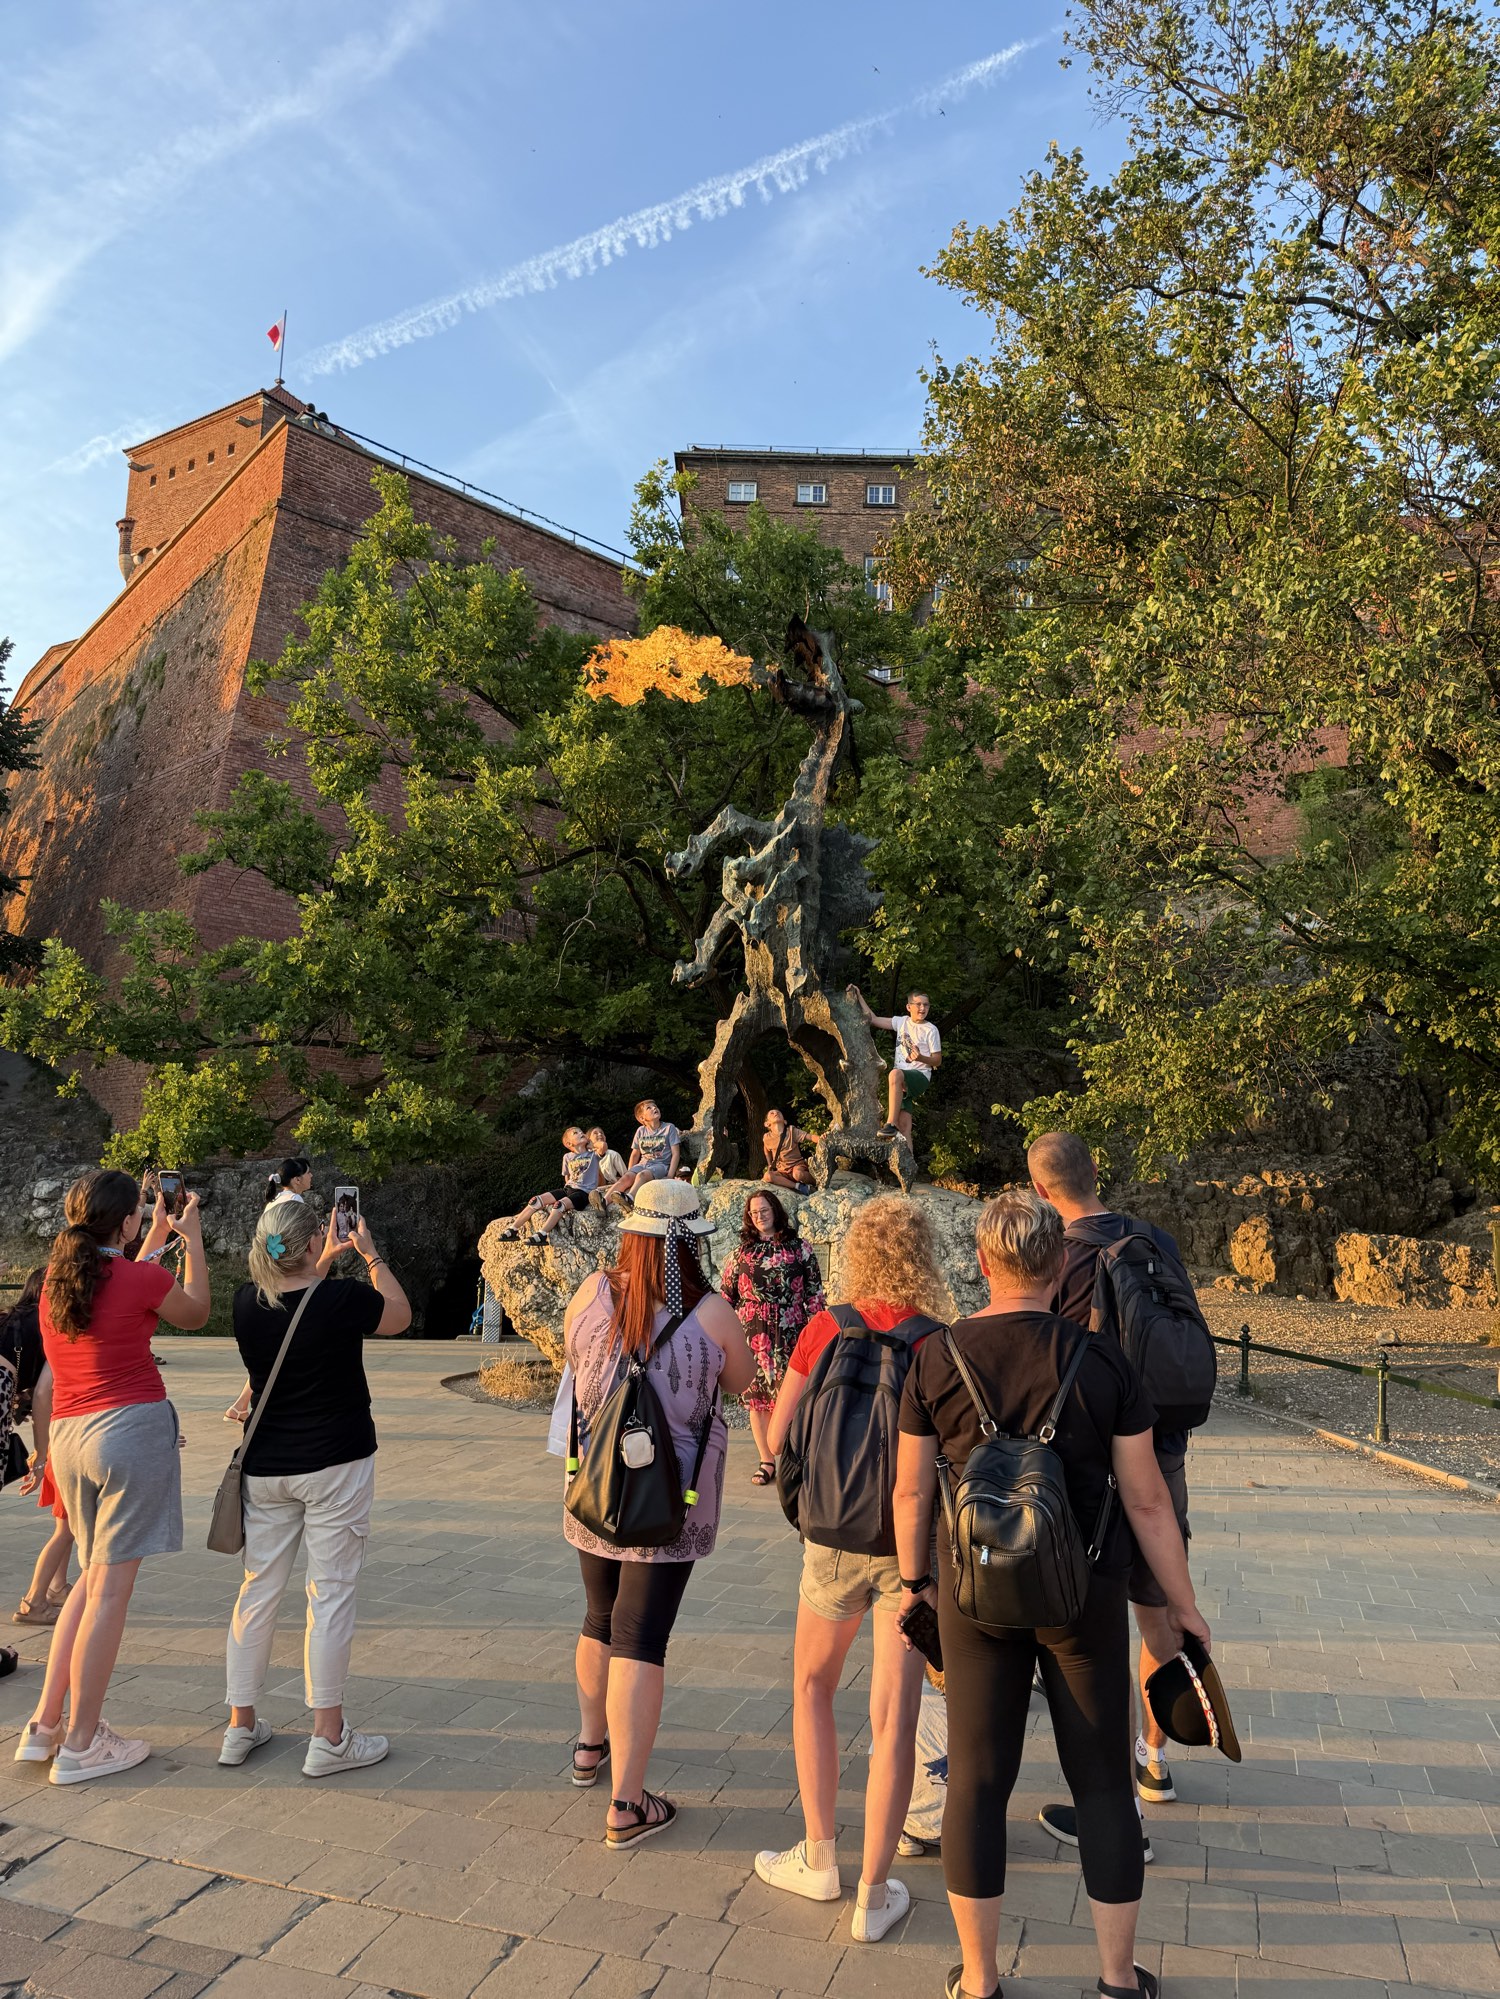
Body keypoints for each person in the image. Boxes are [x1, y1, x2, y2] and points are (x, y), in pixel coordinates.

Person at [894, 1189, 1210, 1999]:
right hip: (1083, 1595)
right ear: (1061, 1261)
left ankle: (978, 1980)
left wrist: (914, 1582)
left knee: (977, 1780)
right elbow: (1148, 1500)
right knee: (1102, 1782)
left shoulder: (936, 1356)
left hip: (973, 1593)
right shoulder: (1104, 1362)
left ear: (981, 1261)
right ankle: (1117, 1978)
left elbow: (910, 1492)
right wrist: (1182, 1604)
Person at [755, 1195, 953, 1944]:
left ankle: (818, 1857)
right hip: (910, 1550)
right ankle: (874, 1893)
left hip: (833, 1537)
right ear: (924, 1257)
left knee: (812, 1685)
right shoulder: (938, 1342)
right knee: (894, 1717)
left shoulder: (825, 1326)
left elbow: (779, 1432)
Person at [563, 1179, 755, 1845]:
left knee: (599, 1616)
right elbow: (742, 1380)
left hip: (595, 1485)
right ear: (690, 1242)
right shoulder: (710, 1311)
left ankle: (590, 1745)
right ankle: (627, 1803)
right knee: (640, 1637)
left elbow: (573, 1358)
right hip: (670, 1500)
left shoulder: (592, 1291)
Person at [16, 1170, 210, 1784]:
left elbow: (121, 1277)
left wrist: (154, 1235)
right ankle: (81, 1744)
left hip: (71, 1438)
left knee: (88, 1583)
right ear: (124, 1222)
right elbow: (196, 1312)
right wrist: (192, 1241)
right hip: (128, 1433)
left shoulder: (57, 1280)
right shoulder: (138, 1278)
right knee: (109, 1594)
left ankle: (45, 1725)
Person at [1027, 1130, 1194, 1822]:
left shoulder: (1057, 1257)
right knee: (1157, 1612)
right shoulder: (1156, 1240)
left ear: (1040, 1189)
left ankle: (1117, 1808)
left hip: (1089, 1467)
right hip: (1163, 1452)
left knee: (1097, 1633)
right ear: (1096, 1168)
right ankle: (1154, 1759)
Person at [221, 1194, 411, 1777]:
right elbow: (399, 1315)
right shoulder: (343, 1298)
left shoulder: (246, 1301)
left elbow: (296, 1295)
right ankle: (328, 1736)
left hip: (267, 1465)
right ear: (310, 1243)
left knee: (258, 1591)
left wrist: (319, 1256)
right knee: (330, 1593)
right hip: (335, 1462)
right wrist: (369, 1255)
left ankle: (240, 1725)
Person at [718, 1190, 826, 1484]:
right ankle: (766, 1460)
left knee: (792, 1398)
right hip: (753, 1337)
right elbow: (726, 1297)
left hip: (791, 1332)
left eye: (763, 1210)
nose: (759, 1216)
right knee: (757, 1400)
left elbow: (814, 1295)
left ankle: (793, 1458)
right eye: (753, 1212)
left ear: (775, 1210)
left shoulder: (800, 1248)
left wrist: (820, 1334)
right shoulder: (742, 1253)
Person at [5, 1271, 74, 1628]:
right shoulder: (52, 1323)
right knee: (67, 1526)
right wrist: (42, 1454)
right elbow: (45, 1392)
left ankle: (57, 1587)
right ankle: (35, 1600)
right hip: (66, 1439)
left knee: (67, 1523)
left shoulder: (13, 1319)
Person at [845, 987, 941, 1143]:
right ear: (909, 1007)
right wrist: (859, 996)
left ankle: (890, 1124)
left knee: (895, 1074)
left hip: (919, 1077)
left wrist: (921, 1057)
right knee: (905, 1127)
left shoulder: (931, 1030)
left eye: (926, 1005)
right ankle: (908, 1158)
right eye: (918, 1004)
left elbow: (937, 1060)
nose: (922, 1008)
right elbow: (873, 1019)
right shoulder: (901, 1022)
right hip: (901, 1083)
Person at [496, 1126, 600, 1241]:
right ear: (569, 1144)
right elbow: (567, 1176)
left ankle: (542, 1234)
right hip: (568, 1189)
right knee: (535, 1201)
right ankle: (513, 1230)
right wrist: (568, 1188)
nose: (581, 1133)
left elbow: (603, 1147)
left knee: (559, 1205)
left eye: (581, 1132)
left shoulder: (593, 1154)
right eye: (576, 1133)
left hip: (583, 1193)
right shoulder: (567, 1157)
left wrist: (592, 1144)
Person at [605, 1100, 682, 1207]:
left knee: (642, 1175)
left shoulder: (669, 1128)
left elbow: (676, 1153)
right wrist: (629, 1172)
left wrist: (669, 1175)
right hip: (643, 1164)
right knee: (626, 1178)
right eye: (649, 1108)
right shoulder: (640, 1131)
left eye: (655, 1106)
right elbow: (635, 1154)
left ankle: (630, 1198)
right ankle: (604, 1201)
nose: (654, 1108)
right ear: (642, 1118)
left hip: (660, 1165)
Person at [762, 1109, 813, 1190]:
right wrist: (769, 1163)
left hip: (797, 1166)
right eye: (772, 1113)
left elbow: (810, 1136)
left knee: (798, 1174)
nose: (776, 1113)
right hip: (782, 1171)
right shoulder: (767, 1137)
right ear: (767, 1124)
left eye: (778, 1112)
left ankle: (816, 1183)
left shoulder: (791, 1131)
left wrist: (822, 1138)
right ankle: (798, 1187)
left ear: (785, 1121)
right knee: (767, 1176)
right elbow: (766, 1150)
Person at [588, 1127, 627, 1196]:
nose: (600, 1134)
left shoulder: (613, 1154)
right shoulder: (585, 1156)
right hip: (590, 1187)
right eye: (595, 1133)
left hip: (608, 1186)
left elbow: (625, 1174)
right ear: (588, 1139)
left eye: (602, 1133)